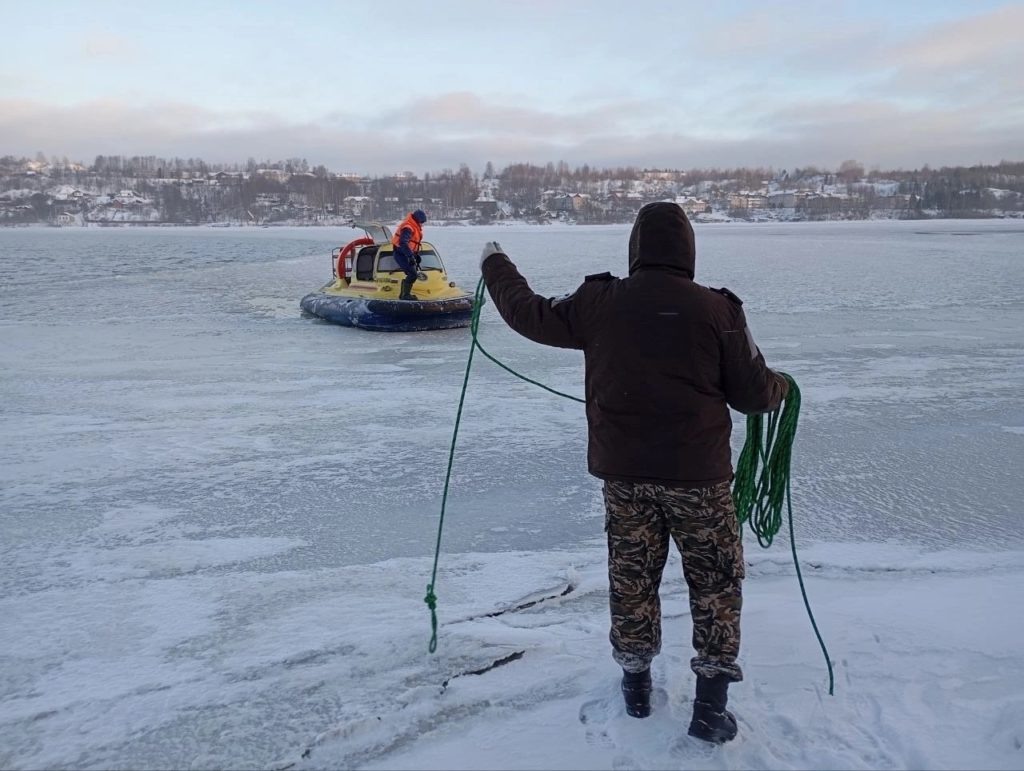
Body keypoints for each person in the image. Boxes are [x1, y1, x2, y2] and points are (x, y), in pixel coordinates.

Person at [478, 202, 788, 744]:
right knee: (715, 585)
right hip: (699, 482)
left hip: (626, 478)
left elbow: (528, 314)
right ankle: (710, 709)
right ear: (688, 249)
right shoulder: (718, 310)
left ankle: (636, 691)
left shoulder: (600, 302)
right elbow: (755, 395)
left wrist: (494, 263)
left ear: (636, 247)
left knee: (632, 580)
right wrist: (782, 384)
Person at [391, 209, 427, 300]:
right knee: (412, 274)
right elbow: (403, 243)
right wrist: (410, 256)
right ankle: (405, 295)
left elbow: (411, 244)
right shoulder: (408, 227)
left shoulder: (413, 226)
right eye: (421, 222)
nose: (422, 224)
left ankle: (403, 294)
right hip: (400, 253)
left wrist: (415, 255)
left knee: (412, 274)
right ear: (418, 219)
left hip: (406, 253)